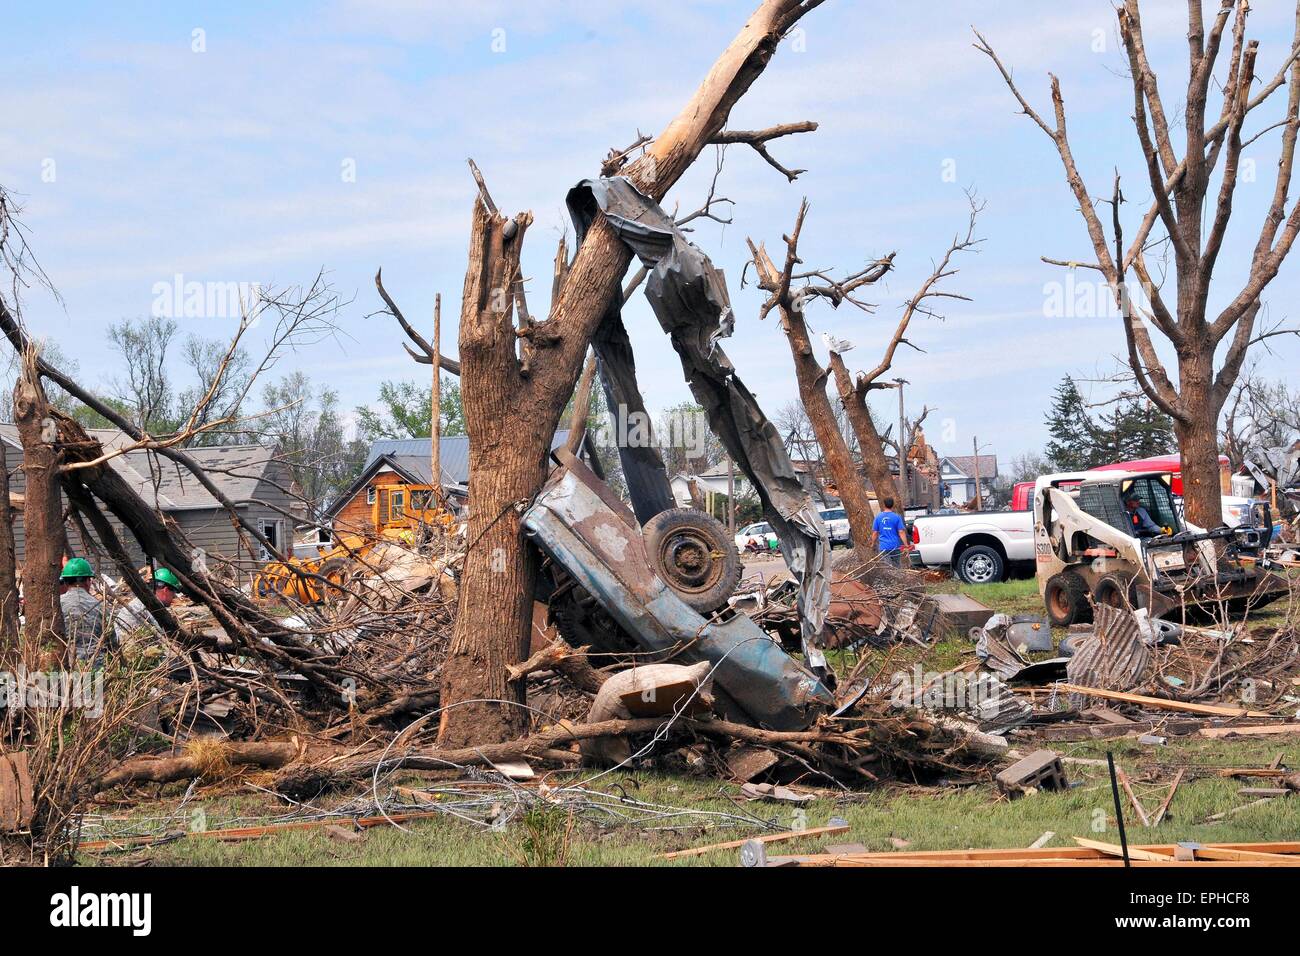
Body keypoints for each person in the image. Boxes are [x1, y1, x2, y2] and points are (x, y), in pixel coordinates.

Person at [59, 557, 112, 664]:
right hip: (96, 666)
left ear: (65, 582)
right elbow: (112, 641)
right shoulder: (100, 606)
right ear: (88, 581)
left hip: (66, 664)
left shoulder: (57, 605)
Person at [114, 567, 183, 640]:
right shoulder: (152, 605)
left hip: (129, 641)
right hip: (133, 644)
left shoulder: (145, 600)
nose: (173, 597)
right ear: (165, 590)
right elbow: (167, 634)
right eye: (173, 592)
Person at [871, 497, 908, 567]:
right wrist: (906, 545)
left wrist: (872, 544)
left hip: (884, 547)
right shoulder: (897, 517)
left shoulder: (878, 517)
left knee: (887, 567)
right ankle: (898, 577)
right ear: (893, 505)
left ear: (884, 505)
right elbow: (901, 532)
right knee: (897, 566)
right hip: (895, 546)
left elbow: (875, 532)